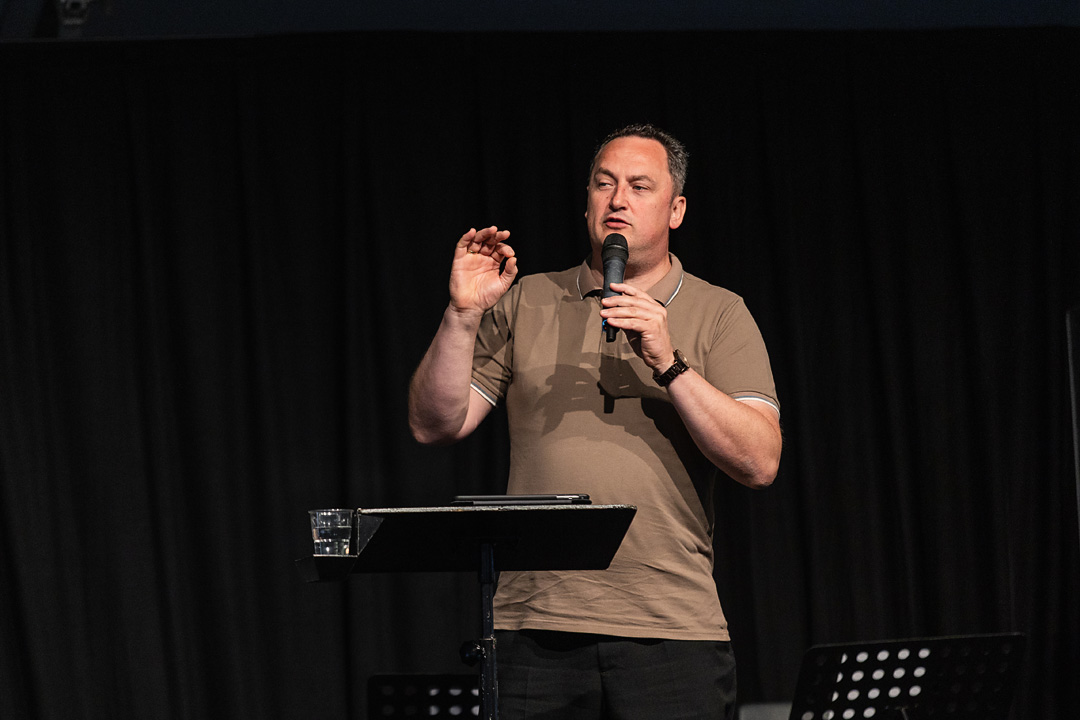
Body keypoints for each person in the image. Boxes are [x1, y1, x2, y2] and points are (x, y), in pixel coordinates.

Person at [408, 124, 782, 720]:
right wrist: (461, 314)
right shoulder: (527, 298)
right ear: (586, 204)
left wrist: (670, 362)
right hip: (534, 627)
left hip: (670, 628)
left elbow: (760, 462)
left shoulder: (720, 311)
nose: (618, 200)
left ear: (676, 210)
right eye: (604, 184)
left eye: (639, 186)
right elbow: (436, 424)